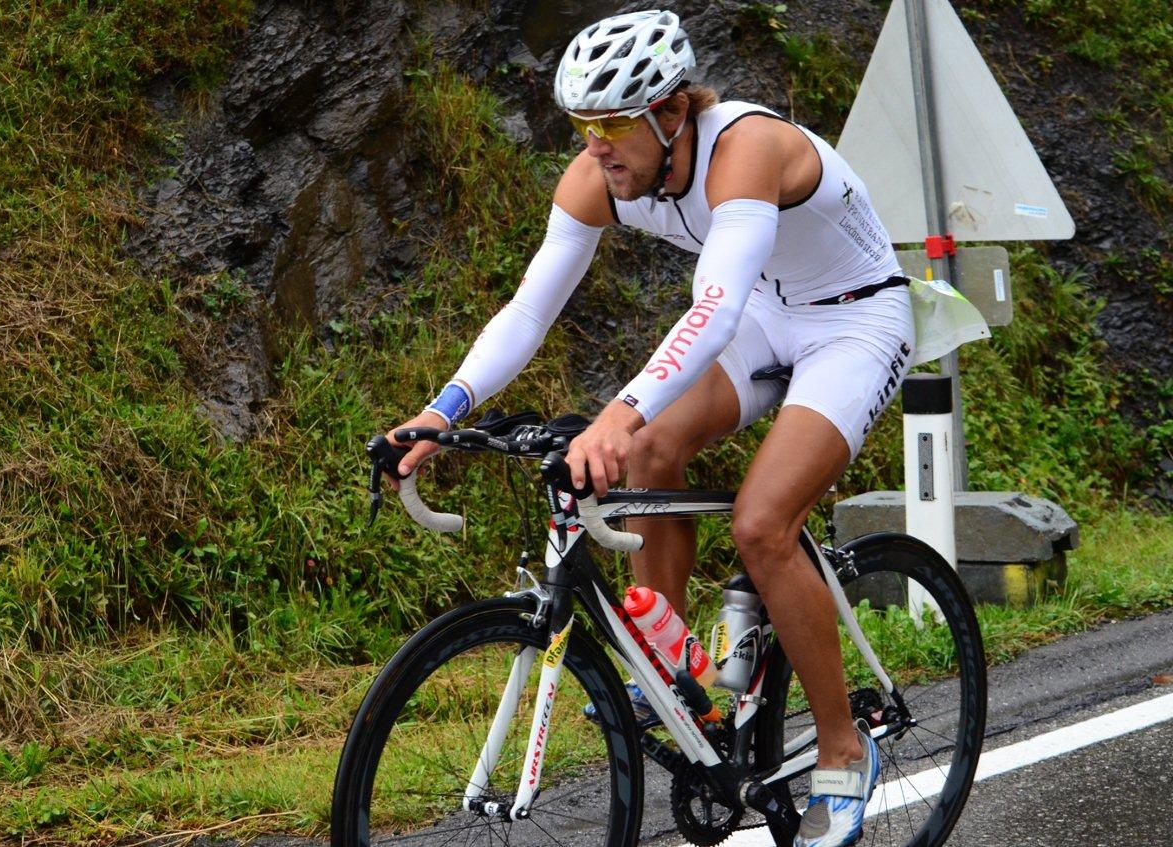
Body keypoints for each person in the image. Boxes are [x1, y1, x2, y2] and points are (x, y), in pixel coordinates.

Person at [384, 10, 912, 846]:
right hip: (767, 314)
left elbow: (714, 305)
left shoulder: (746, 148)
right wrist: (443, 408)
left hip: (856, 320)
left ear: (669, 112)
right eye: (581, 128)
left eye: (609, 127)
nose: (594, 149)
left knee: (761, 523)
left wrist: (616, 414)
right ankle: (673, 670)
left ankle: (843, 749)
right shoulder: (598, 177)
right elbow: (528, 311)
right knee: (653, 448)